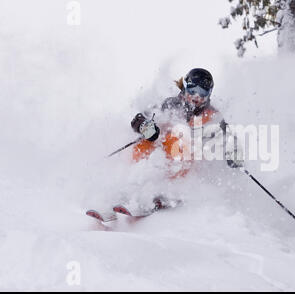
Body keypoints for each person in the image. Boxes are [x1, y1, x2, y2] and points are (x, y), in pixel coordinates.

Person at [87, 68, 243, 221]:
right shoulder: (170, 104)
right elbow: (138, 119)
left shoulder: (212, 116)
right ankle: (121, 194)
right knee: (146, 142)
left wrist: (233, 153)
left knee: (180, 138)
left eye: (202, 93)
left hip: (184, 162)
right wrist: (145, 127)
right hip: (159, 158)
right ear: (185, 87)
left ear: (209, 95)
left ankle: (159, 193)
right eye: (193, 89)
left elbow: (229, 138)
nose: (197, 96)